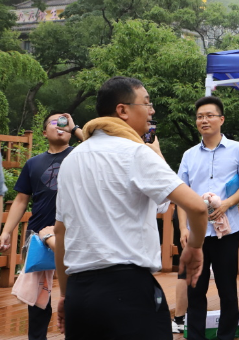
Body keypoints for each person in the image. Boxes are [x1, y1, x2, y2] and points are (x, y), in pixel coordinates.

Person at [53, 76, 208, 339]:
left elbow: (60, 231)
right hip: (127, 292)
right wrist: (194, 247)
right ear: (122, 110)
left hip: (79, 293)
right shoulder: (136, 152)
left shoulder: (71, 160)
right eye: (146, 103)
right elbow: (197, 207)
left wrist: (65, 296)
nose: (152, 111)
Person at [0, 112, 83, 340]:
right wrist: (6, 231)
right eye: (55, 122)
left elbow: (101, 149)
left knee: (77, 288)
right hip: (38, 235)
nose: (61, 126)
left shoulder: (80, 156)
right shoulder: (33, 163)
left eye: (65, 123)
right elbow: (21, 200)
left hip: (73, 233)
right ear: (44, 132)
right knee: (38, 296)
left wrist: (76, 128)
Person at [177, 96, 239, 340]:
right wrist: (183, 229)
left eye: (209, 115)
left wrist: (227, 204)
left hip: (227, 231)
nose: (204, 120)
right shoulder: (189, 155)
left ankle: (226, 336)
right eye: (200, 116)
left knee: (227, 288)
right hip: (196, 233)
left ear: (221, 119)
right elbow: (181, 193)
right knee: (195, 288)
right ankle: (195, 336)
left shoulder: (238, 150)